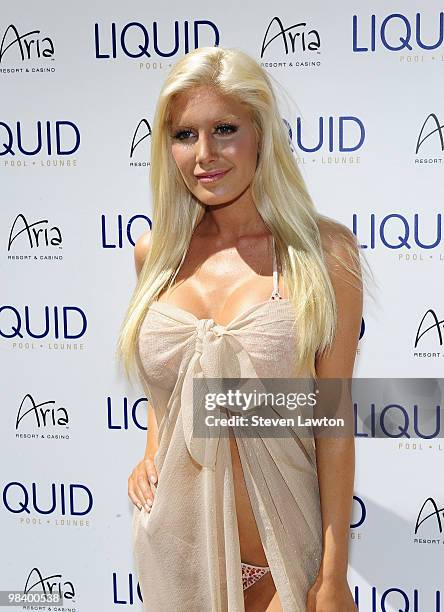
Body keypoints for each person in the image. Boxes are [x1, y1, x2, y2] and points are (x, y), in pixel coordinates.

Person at [116, 46, 365, 612]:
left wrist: (333, 574)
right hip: (177, 549)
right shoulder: (155, 255)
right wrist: (151, 448)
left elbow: (333, 419)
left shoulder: (321, 255)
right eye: (184, 135)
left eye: (224, 129)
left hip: (287, 548)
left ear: (261, 134)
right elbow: (170, 386)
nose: (204, 155)